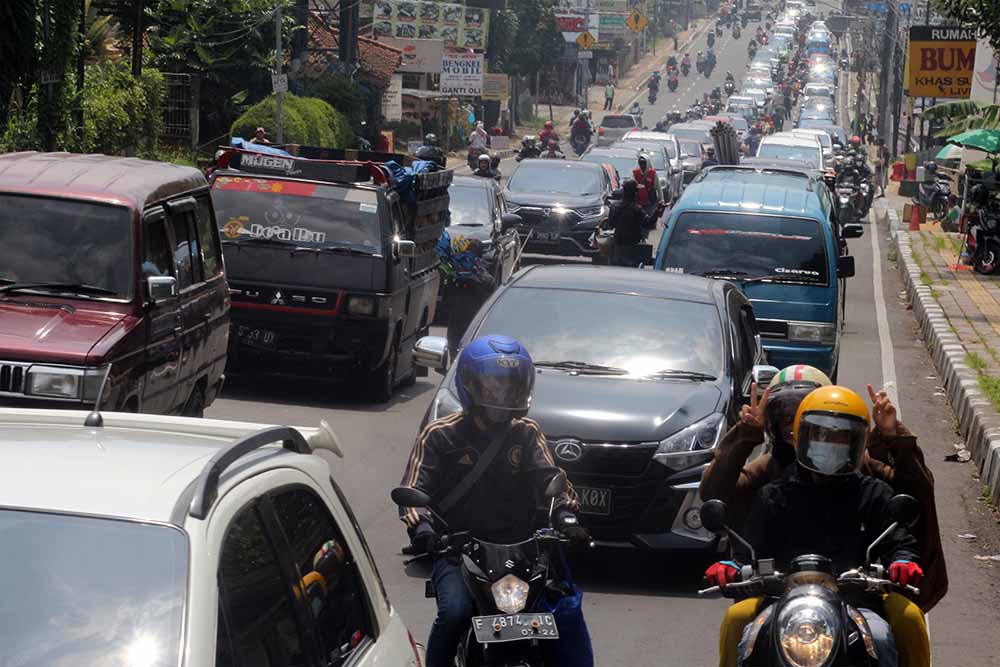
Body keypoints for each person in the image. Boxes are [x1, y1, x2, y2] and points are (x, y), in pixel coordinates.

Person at [701, 372, 943, 667]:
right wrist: (732, 565)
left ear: (858, 441)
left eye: (841, 437)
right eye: (821, 435)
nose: (830, 443)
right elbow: (746, 545)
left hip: (861, 600)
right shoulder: (773, 491)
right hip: (783, 600)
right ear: (799, 436)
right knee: (736, 619)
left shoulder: (874, 488)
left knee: (899, 625)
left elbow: (901, 535)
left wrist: (902, 562)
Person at [398, 335, 594, 667]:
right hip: (458, 550)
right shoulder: (440, 435)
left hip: (520, 551)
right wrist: (424, 531)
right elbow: (413, 492)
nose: (503, 395)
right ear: (470, 386)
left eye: (510, 386)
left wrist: (566, 516)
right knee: (455, 614)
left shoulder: (526, 433)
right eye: (493, 387)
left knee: (554, 618)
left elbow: (551, 478)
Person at [602, 180, 655, 267]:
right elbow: (648, 224)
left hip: (617, 247)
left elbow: (611, 224)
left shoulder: (614, 207)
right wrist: (657, 213)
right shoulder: (636, 209)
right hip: (632, 248)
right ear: (634, 193)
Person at [631, 152, 660, 216]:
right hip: (638, 202)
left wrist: (661, 199)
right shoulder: (635, 173)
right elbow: (632, 185)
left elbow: (658, 187)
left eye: (644, 163)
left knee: (650, 218)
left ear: (648, 163)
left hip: (650, 202)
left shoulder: (653, 173)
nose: (642, 165)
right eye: (641, 163)